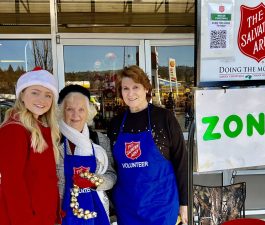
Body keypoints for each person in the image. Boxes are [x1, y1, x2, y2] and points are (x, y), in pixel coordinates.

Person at [107, 65, 188, 225]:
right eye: (125, 88)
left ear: (145, 88)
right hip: (127, 208)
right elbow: (111, 168)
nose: (130, 93)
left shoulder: (164, 118)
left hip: (162, 207)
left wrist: (184, 203)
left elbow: (181, 161)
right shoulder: (115, 124)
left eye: (135, 87)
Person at [0, 67, 60, 225]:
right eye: (35, 92)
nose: (42, 100)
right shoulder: (14, 129)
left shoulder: (41, 128)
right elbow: (12, 184)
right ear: (22, 95)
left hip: (42, 216)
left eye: (48, 95)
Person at [56, 84, 117, 225]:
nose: (75, 115)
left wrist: (95, 181)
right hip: (61, 215)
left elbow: (112, 176)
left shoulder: (99, 140)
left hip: (96, 213)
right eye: (69, 109)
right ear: (61, 111)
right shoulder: (53, 139)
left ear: (88, 112)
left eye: (81, 109)